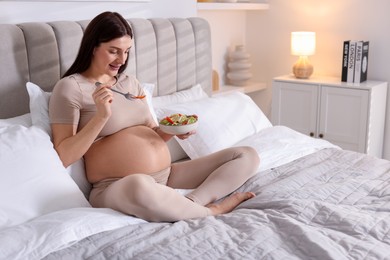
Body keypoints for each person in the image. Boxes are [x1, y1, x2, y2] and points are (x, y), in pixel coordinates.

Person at [49, 11, 260, 222]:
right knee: (139, 185)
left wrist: (174, 130)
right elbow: (64, 156)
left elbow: (153, 132)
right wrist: (101, 117)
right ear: (93, 47)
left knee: (247, 155)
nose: (122, 60)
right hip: (116, 186)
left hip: (166, 176)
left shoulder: (129, 83)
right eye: (114, 51)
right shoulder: (70, 88)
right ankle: (211, 211)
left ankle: (193, 203)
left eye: (126, 51)